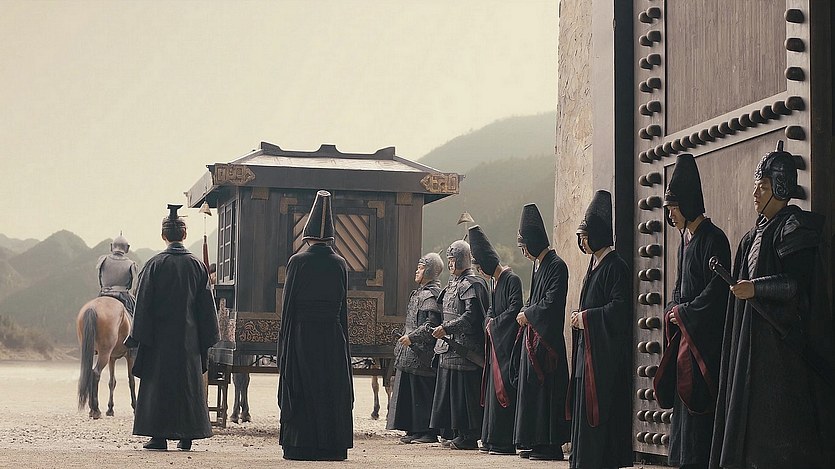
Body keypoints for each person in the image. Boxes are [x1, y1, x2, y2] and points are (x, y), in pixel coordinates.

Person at [710, 141, 835, 469]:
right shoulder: (752, 236)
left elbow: (795, 285)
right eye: (756, 186)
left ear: (780, 187)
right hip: (753, 346)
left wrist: (756, 288)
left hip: (781, 350)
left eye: (763, 187)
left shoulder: (793, 227)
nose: (755, 193)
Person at [650, 154, 730, 469]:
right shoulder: (685, 241)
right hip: (686, 334)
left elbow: (716, 291)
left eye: (673, 207)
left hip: (704, 341)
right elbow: (678, 287)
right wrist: (673, 309)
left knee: (701, 406)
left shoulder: (715, 239)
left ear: (687, 203)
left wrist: (684, 313)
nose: (670, 214)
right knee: (684, 407)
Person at [131, 204, 219, 451]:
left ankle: (158, 437)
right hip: (189, 340)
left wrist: (139, 336)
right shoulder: (197, 266)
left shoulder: (154, 265)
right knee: (188, 385)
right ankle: (187, 437)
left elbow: (142, 304)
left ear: (163, 236)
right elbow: (206, 309)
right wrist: (205, 338)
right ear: (184, 234)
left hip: (159, 340)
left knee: (159, 386)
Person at [278, 190, 353, 461]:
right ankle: (332, 447)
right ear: (331, 237)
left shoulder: (297, 262)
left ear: (307, 236)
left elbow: (288, 308)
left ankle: (300, 446)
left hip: (301, 335)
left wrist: (284, 346)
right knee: (330, 388)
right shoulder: (340, 264)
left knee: (303, 385)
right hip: (332, 336)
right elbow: (343, 310)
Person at [567, 190, 632, 469]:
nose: (582, 241)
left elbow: (619, 309)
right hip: (589, 353)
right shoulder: (595, 265)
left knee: (602, 414)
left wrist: (586, 318)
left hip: (606, 358)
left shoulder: (616, 267)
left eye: (585, 236)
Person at [513, 203, 570, 461]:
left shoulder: (557, 266)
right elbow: (534, 299)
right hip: (533, 339)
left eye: (525, 246)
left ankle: (550, 445)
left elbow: (551, 302)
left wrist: (529, 314)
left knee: (548, 393)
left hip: (548, 343)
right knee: (534, 393)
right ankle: (536, 442)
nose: (524, 252)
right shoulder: (538, 266)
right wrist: (526, 311)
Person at [429, 239, 490, 450]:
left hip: (466, 350)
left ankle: (468, 436)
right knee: (450, 394)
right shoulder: (452, 284)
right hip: (448, 348)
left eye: (453, 259)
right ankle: (454, 432)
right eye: (448, 260)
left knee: (465, 395)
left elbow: (471, 317)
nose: (450, 264)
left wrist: (447, 328)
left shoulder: (472, 284)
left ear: (463, 259)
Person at [468, 225, 522, 456]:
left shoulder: (512, 279)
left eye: (480, 267)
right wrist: (490, 321)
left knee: (504, 391)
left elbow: (515, 309)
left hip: (506, 347)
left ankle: (503, 442)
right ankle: (490, 439)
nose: (480, 272)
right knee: (492, 393)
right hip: (496, 345)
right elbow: (491, 310)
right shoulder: (494, 283)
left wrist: (495, 324)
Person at [387, 252, 444, 444]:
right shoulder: (419, 292)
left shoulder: (431, 296)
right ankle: (413, 430)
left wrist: (412, 337)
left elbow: (430, 326)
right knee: (410, 391)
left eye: (420, 268)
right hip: (410, 351)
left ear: (429, 271)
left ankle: (427, 433)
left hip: (423, 353)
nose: (416, 271)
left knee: (421, 392)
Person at [96, 234, 138, 315]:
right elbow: (135, 285)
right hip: (123, 296)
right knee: (136, 315)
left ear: (112, 246)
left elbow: (100, 278)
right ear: (127, 248)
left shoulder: (102, 260)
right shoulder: (131, 264)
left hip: (104, 293)